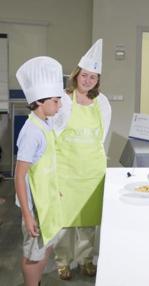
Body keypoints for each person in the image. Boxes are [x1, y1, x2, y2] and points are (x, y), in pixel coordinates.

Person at [51, 39, 111, 280]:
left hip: (91, 172)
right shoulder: (63, 100)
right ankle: (63, 261)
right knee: (65, 222)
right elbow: (54, 132)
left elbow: (102, 135)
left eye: (93, 77)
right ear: (76, 75)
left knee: (88, 221)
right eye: (85, 75)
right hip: (66, 170)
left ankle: (86, 260)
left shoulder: (102, 102)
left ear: (97, 81)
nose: (88, 81)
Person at [14, 56, 65, 286]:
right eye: (56, 100)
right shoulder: (32, 132)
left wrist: (56, 192)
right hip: (35, 206)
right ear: (40, 102)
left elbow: (46, 167)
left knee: (45, 248)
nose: (60, 105)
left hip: (47, 201)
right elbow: (20, 175)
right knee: (33, 256)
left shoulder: (45, 124)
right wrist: (27, 213)